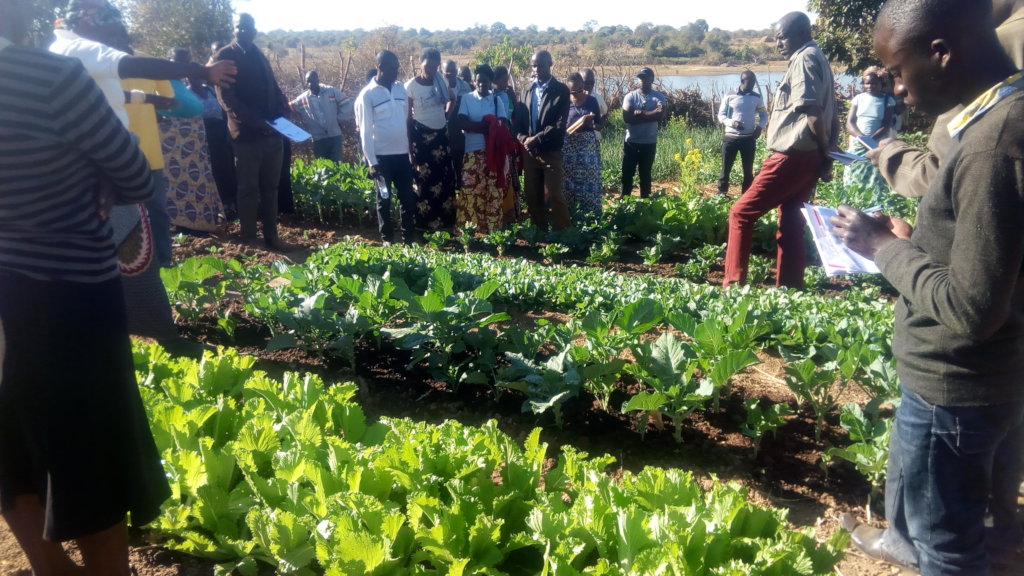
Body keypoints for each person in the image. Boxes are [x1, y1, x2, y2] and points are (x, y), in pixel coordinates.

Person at [832, 1, 1024, 574]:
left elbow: (971, 308)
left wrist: (882, 248)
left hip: (958, 385)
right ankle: (900, 541)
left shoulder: (992, 144)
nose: (895, 89)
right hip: (983, 376)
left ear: (941, 51)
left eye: (896, 70)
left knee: (949, 546)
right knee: (924, 502)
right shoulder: (1002, 113)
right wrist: (920, 241)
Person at [0, 1, 171, 573]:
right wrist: (97, 176)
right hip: (65, 295)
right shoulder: (51, 78)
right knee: (92, 458)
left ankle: (51, 569)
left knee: (13, 449)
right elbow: (133, 173)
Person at [722, 12, 838, 289]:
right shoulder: (818, 57)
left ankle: (732, 285)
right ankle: (790, 287)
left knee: (741, 213)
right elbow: (830, 114)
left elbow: (813, 111)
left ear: (801, 33)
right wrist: (825, 154)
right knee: (790, 219)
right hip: (808, 157)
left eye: (781, 37)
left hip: (792, 155)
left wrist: (824, 149)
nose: (778, 44)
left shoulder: (804, 59)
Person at [870, 0, 1024, 199]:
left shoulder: (985, 49)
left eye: (898, 73)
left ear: (941, 53)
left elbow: (942, 171)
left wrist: (889, 155)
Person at [212, 13, 294, 251]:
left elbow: (273, 87)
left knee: (271, 188)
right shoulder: (226, 55)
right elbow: (227, 99)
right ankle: (249, 238)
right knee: (248, 189)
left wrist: (283, 108)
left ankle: (272, 237)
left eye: (250, 27)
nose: (246, 31)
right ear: (234, 29)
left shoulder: (257, 53)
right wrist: (259, 123)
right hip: (247, 137)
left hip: (272, 134)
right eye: (241, 27)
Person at [355, 50, 417, 244]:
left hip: (401, 156)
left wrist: (410, 151)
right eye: (392, 68)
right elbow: (365, 130)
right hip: (381, 158)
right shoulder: (368, 94)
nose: (396, 71)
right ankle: (387, 240)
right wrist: (371, 162)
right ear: (380, 67)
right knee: (384, 200)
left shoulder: (400, 89)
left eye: (397, 67)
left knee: (407, 198)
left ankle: (409, 239)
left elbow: (405, 122)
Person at [162, 47, 224, 233]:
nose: (183, 66)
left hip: (194, 149)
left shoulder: (181, 85)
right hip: (174, 149)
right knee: (177, 187)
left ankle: (197, 223)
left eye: (186, 61)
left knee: (196, 186)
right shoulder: (161, 83)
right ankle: (183, 224)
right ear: (168, 61)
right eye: (178, 61)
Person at [515, 50, 571, 231]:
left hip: (550, 151)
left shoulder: (560, 90)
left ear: (550, 65)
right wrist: (524, 139)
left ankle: (564, 234)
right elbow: (518, 123)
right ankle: (539, 234)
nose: (536, 69)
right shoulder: (526, 90)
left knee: (554, 194)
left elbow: (560, 124)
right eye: (534, 65)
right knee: (532, 195)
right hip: (530, 152)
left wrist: (537, 139)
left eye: (540, 65)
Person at [405, 48, 457, 232]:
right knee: (424, 180)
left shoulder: (440, 80)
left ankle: (446, 224)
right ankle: (424, 225)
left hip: (441, 137)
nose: (432, 70)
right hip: (421, 138)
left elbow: (452, 98)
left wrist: (445, 116)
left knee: (444, 179)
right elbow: (408, 119)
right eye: (429, 66)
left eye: (436, 66)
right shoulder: (411, 86)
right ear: (421, 64)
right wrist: (410, 148)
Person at [456, 64, 513, 234]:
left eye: (485, 81)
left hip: (493, 155)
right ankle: (469, 233)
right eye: (478, 81)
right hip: (472, 153)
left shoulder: (497, 101)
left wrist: (478, 127)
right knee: (470, 191)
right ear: (474, 81)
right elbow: (461, 123)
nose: (481, 84)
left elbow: (502, 127)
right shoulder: (467, 99)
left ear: (491, 83)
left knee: (492, 192)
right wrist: (486, 126)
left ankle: (492, 234)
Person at [842, 67, 894, 198]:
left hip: (875, 144)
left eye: (874, 83)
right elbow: (850, 122)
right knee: (852, 171)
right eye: (867, 83)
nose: (870, 86)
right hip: (857, 143)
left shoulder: (887, 100)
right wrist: (861, 138)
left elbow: (886, 125)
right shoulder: (859, 98)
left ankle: (872, 203)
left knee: (874, 174)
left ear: (881, 83)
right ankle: (852, 199)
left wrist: (870, 139)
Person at [716, 70, 767, 195]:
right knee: (725, 167)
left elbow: (764, 115)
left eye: (754, 81)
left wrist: (759, 127)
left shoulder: (757, 97)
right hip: (731, 138)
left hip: (749, 138)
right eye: (751, 81)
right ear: (743, 81)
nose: (753, 83)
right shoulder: (730, 95)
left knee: (748, 169)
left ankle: (746, 195)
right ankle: (722, 194)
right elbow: (721, 115)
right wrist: (732, 122)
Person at [563, 72, 605, 217]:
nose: (579, 94)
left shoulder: (592, 101)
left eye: (581, 90)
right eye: (574, 92)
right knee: (568, 182)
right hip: (569, 146)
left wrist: (592, 125)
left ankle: (591, 216)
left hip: (587, 146)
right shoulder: (564, 102)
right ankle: (572, 215)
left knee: (590, 179)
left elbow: (600, 124)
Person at [620, 67, 666, 199]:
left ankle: (645, 204)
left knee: (645, 174)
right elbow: (627, 118)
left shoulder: (659, 96)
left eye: (646, 77)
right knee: (627, 173)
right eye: (640, 77)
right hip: (631, 142)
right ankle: (624, 202)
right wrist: (651, 113)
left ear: (652, 79)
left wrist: (639, 112)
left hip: (649, 142)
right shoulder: (630, 96)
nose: (643, 80)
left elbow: (659, 116)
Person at [289, 70, 354, 162]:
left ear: (318, 80)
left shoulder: (331, 91)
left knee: (337, 166)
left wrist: (337, 120)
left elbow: (348, 104)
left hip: (334, 136)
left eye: (313, 80)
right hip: (318, 139)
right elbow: (289, 107)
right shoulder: (302, 99)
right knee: (322, 169)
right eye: (308, 81)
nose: (311, 83)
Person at [493, 65, 523, 223]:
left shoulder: (504, 95)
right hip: (502, 139)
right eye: (503, 80)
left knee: (510, 174)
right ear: (495, 80)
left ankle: (511, 212)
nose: (506, 83)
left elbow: (514, 115)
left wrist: (514, 99)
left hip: (508, 139)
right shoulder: (495, 96)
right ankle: (507, 212)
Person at [444, 59, 473, 188]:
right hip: (446, 136)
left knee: (464, 173)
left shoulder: (465, 86)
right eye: (447, 72)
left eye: (453, 71)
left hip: (463, 138)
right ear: (442, 72)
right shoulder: (439, 87)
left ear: (457, 71)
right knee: (448, 174)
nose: (450, 74)